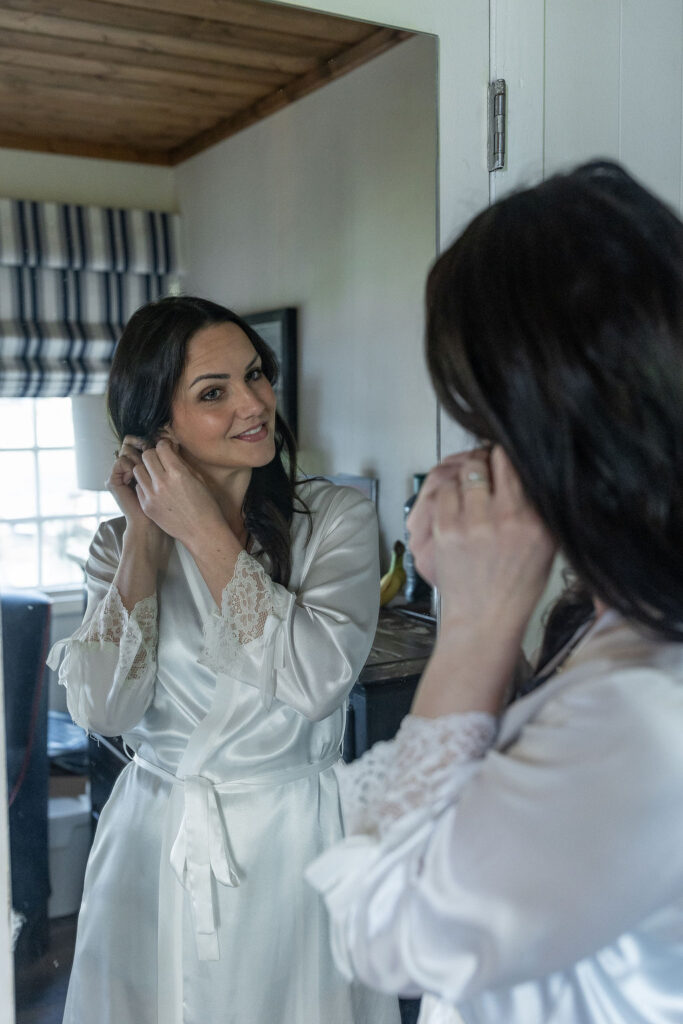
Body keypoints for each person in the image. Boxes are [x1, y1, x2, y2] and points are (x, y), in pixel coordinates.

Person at [306, 161, 683, 1023]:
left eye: (485, 419)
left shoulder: (643, 707)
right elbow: (530, 773)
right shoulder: (616, 615)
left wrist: (474, 628)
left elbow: (390, 935)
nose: (479, 452)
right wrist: (485, 620)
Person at [48, 296, 400, 1024]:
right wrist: (146, 538)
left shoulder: (332, 520)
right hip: (154, 837)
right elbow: (104, 710)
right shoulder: (116, 549)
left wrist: (204, 532)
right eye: (214, 392)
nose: (254, 402)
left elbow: (316, 681)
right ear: (159, 425)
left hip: (291, 839)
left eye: (255, 375)